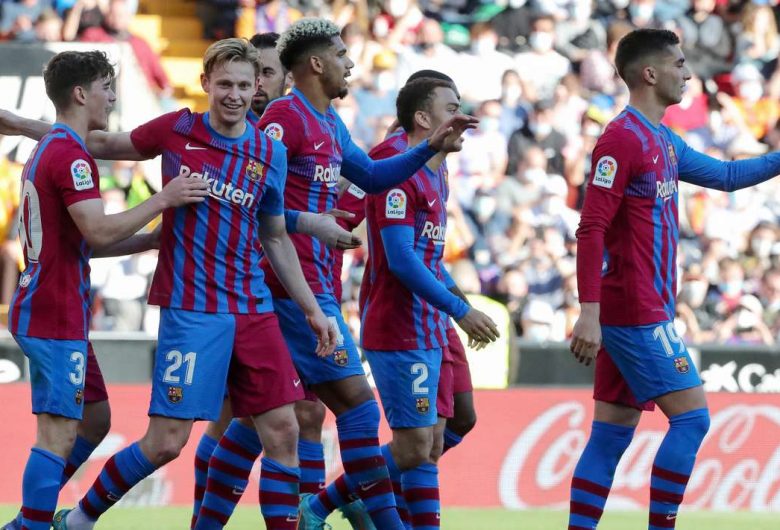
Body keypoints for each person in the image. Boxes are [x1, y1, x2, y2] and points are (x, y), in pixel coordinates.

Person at [40, 38, 335, 530]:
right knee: (166, 442)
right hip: (192, 310)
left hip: (253, 308)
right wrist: (28, 127)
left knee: (284, 429)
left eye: (244, 85)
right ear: (205, 84)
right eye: (225, 84)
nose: (234, 95)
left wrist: (312, 310)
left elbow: (275, 237)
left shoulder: (270, 152)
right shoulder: (177, 128)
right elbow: (100, 143)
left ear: (257, 88)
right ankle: (79, 520)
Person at [197, 17, 478, 530]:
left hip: (314, 283)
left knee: (261, 420)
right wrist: (309, 223)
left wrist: (429, 145)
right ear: (317, 63)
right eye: (342, 55)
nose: (351, 64)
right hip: (288, 285)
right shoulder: (284, 119)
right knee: (357, 409)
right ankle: (364, 519)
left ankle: (218, 520)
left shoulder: (329, 122)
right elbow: (252, 201)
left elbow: (372, 175)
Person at [568, 28, 780, 530]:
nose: (688, 74)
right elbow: (591, 227)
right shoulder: (621, 139)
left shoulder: (662, 139)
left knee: (611, 434)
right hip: (634, 308)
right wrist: (588, 312)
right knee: (692, 418)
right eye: (679, 64)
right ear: (650, 73)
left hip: (642, 307)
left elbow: (727, 177)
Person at [3, 50, 208, 530]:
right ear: (81, 94)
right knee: (57, 434)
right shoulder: (70, 155)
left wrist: (148, 240)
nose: (112, 97)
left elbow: (83, 245)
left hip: (56, 306)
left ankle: (33, 515)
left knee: (94, 420)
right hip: (53, 311)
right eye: (106, 87)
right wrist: (163, 199)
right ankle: (32, 524)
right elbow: (97, 230)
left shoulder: (55, 146)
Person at [302, 76, 499, 530]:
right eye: (453, 109)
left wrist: (458, 304)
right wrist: (461, 310)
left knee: (449, 428)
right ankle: (329, 502)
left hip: (432, 317)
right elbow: (402, 259)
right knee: (416, 447)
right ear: (423, 118)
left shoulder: (438, 168)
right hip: (401, 322)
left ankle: (358, 496)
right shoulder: (395, 168)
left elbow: (428, 256)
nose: (463, 119)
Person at [189, 32, 353, 530]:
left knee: (296, 417)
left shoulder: (292, 134)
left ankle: (301, 516)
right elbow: (269, 223)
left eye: (264, 74)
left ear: (285, 77)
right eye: (250, 75)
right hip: (246, 294)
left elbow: (337, 187)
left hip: (296, 288)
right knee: (239, 418)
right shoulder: (249, 138)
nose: (257, 85)